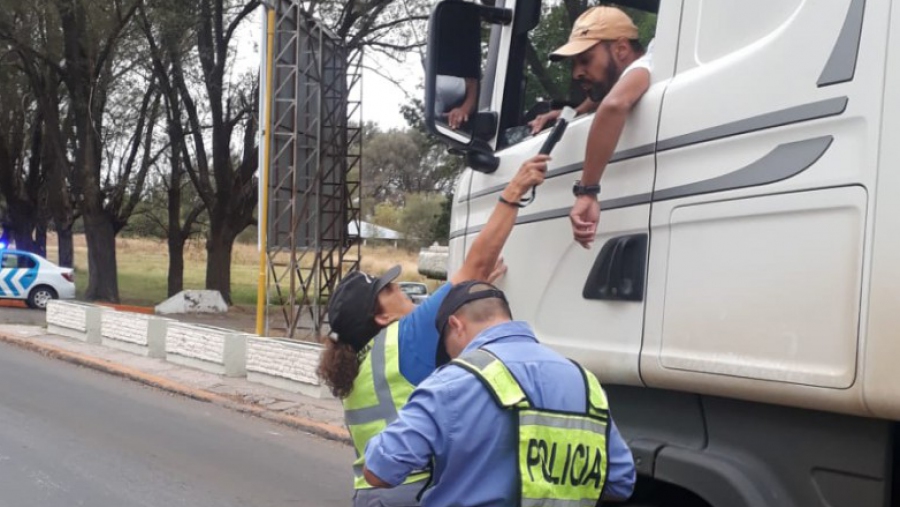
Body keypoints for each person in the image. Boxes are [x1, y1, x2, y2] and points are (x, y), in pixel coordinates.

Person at [319, 155, 550, 507]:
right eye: (390, 290)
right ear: (380, 318)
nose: (403, 288)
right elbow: (475, 265)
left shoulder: (361, 364)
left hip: (371, 494)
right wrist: (514, 192)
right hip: (413, 492)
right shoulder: (405, 338)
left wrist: (464, 295)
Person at [362, 281, 636, 506]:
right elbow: (621, 481)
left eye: (447, 347)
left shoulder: (450, 383)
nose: (451, 356)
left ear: (456, 325)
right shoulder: (586, 382)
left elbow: (379, 470)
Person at [529, 6, 653, 249]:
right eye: (574, 64)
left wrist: (587, 192)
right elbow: (607, 93)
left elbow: (614, 103)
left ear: (621, 49)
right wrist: (574, 111)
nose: (576, 73)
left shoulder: (648, 63)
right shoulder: (642, 67)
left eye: (585, 60)